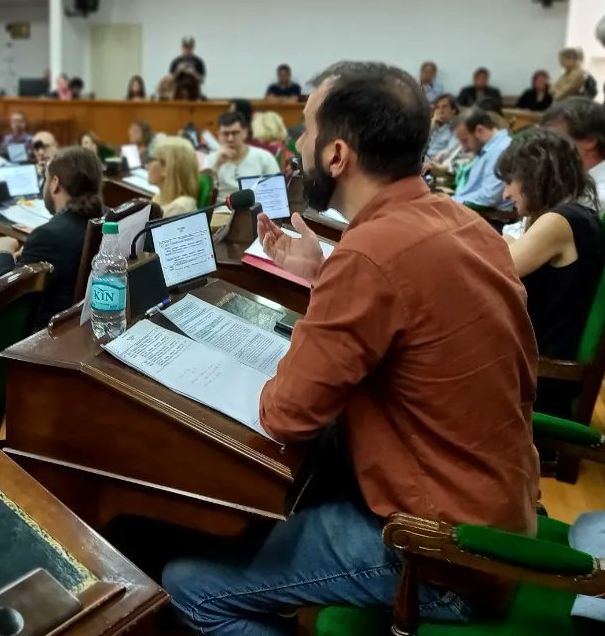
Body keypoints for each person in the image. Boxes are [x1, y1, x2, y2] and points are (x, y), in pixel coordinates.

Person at [164, 62, 537, 635]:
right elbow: (411, 329)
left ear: (337, 155)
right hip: (495, 512)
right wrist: (322, 277)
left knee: (190, 584)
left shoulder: (370, 255)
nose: (298, 142)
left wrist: (332, 286)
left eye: (307, 130)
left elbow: (285, 415)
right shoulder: (463, 222)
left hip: (436, 552)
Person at [497, 129, 605, 366]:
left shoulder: (559, 221)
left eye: (509, 182)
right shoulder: (572, 216)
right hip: (527, 359)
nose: (505, 194)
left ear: (534, 176)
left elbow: (493, 269)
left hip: (540, 372)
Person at [0, 147, 104, 327]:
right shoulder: (105, 219)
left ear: (55, 183)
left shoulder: (47, 236)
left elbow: (5, 300)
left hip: (45, 336)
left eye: (46, 178)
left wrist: (2, 252)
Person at [542, 98, 605, 212]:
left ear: (589, 140)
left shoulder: (599, 198)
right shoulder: (575, 183)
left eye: (554, 139)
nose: (544, 147)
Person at [203, 111, 280, 196]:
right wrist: (217, 164)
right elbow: (203, 192)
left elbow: (276, 188)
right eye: (225, 134)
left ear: (245, 132)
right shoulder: (211, 159)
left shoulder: (264, 157)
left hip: (256, 206)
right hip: (221, 207)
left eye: (235, 133)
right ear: (219, 135)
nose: (230, 138)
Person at [451, 110, 513, 210]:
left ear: (479, 130)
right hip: (472, 211)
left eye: (465, 140)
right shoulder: (487, 149)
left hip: (491, 218)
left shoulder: (500, 150)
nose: (463, 147)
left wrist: (451, 201)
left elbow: (489, 197)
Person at [147, 136, 200, 218]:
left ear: (166, 167)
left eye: (152, 160)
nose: (147, 165)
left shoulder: (180, 207)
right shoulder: (158, 197)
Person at [425, 94, 463, 174]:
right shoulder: (434, 126)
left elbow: (451, 151)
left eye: (444, 107)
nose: (440, 111)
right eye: (438, 108)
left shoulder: (456, 128)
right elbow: (420, 146)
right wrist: (431, 127)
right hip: (424, 161)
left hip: (437, 165)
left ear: (454, 110)